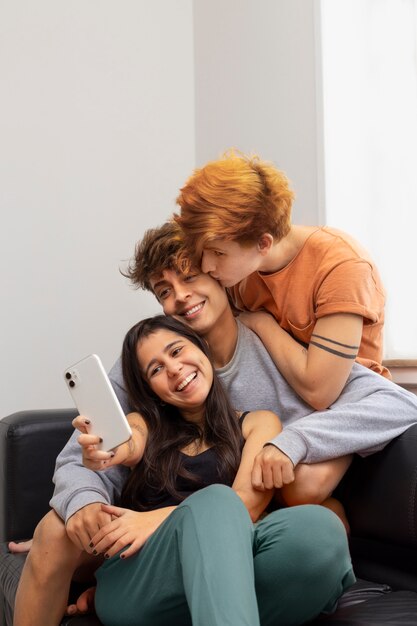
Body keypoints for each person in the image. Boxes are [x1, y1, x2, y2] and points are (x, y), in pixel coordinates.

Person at [10, 223, 417, 622]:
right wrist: (85, 499)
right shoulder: (145, 365)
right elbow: (104, 449)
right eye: (164, 291)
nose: (181, 297)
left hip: (250, 535)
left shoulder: (276, 351)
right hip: (166, 545)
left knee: (322, 525)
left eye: (190, 276)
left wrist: (295, 442)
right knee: (60, 526)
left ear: (220, 273)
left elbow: (398, 404)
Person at [174, 149, 391, 416]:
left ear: (263, 243)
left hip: (352, 410)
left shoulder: (342, 267)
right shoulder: (237, 272)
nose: (207, 266)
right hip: (279, 409)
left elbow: (320, 392)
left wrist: (261, 323)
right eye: (203, 252)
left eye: (219, 253)